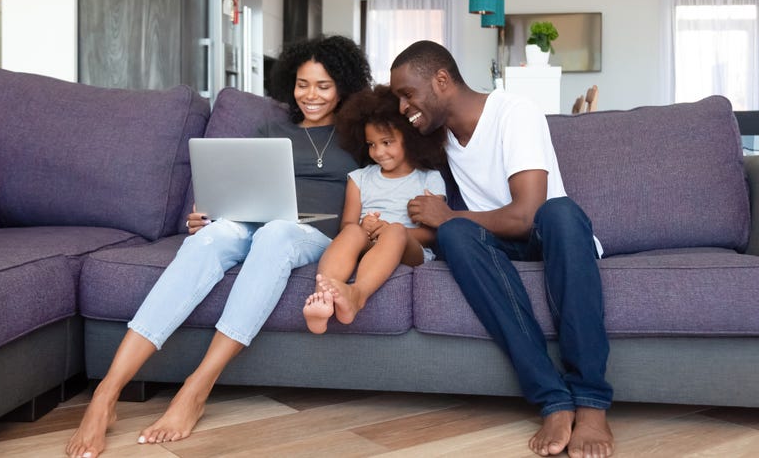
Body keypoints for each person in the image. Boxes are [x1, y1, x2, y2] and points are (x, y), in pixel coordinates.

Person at [66, 35, 372, 458]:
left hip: (307, 231)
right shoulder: (271, 130)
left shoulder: (359, 135)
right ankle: (105, 395)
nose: (311, 95)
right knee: (210, 238)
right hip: (251, 217)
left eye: (323, 85)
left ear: (343, 86)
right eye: (303, 84)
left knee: (275, 235)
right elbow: (238, 182)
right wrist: (210, 211)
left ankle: (197, 387)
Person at [390, 40, 614, 458]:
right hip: (497, 246)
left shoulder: (514, 112)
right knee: (455, 236)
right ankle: (554, 399)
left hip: (552, 237)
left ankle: (591, 402)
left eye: (407, 94)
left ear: (441, 80)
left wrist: (449, 215)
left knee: (560, 212)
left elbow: (528, 213)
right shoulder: (437, 140)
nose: (403, 107)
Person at [302, 85, 446, 334]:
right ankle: (324, 296)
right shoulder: (359, 178)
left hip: (409, 246)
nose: (378, 152)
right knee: (350, 234)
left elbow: (431, 234)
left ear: (410, 138)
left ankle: (357, 294)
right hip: (368, 240)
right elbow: (347, 226)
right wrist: (363, 228)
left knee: (396, 231)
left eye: (387, 142)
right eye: (371, 144)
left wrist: (389, 230)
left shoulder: (429, 179)